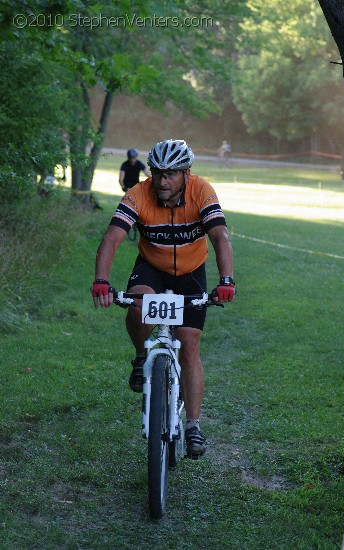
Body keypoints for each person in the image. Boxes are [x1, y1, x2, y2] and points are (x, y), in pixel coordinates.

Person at [92, 139, 235, 458]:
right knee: (138, 307)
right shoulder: (138, 194)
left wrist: (226, 280)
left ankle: (194, 425)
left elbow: (220, 237)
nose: (162, 181)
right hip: (152, 268)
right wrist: (101, 280)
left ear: (187, 173)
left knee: (189, 346)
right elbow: (112, 238)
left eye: (170, 175)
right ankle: (142, 357)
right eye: (157, 173)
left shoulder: (202, 191)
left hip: (190, 272)